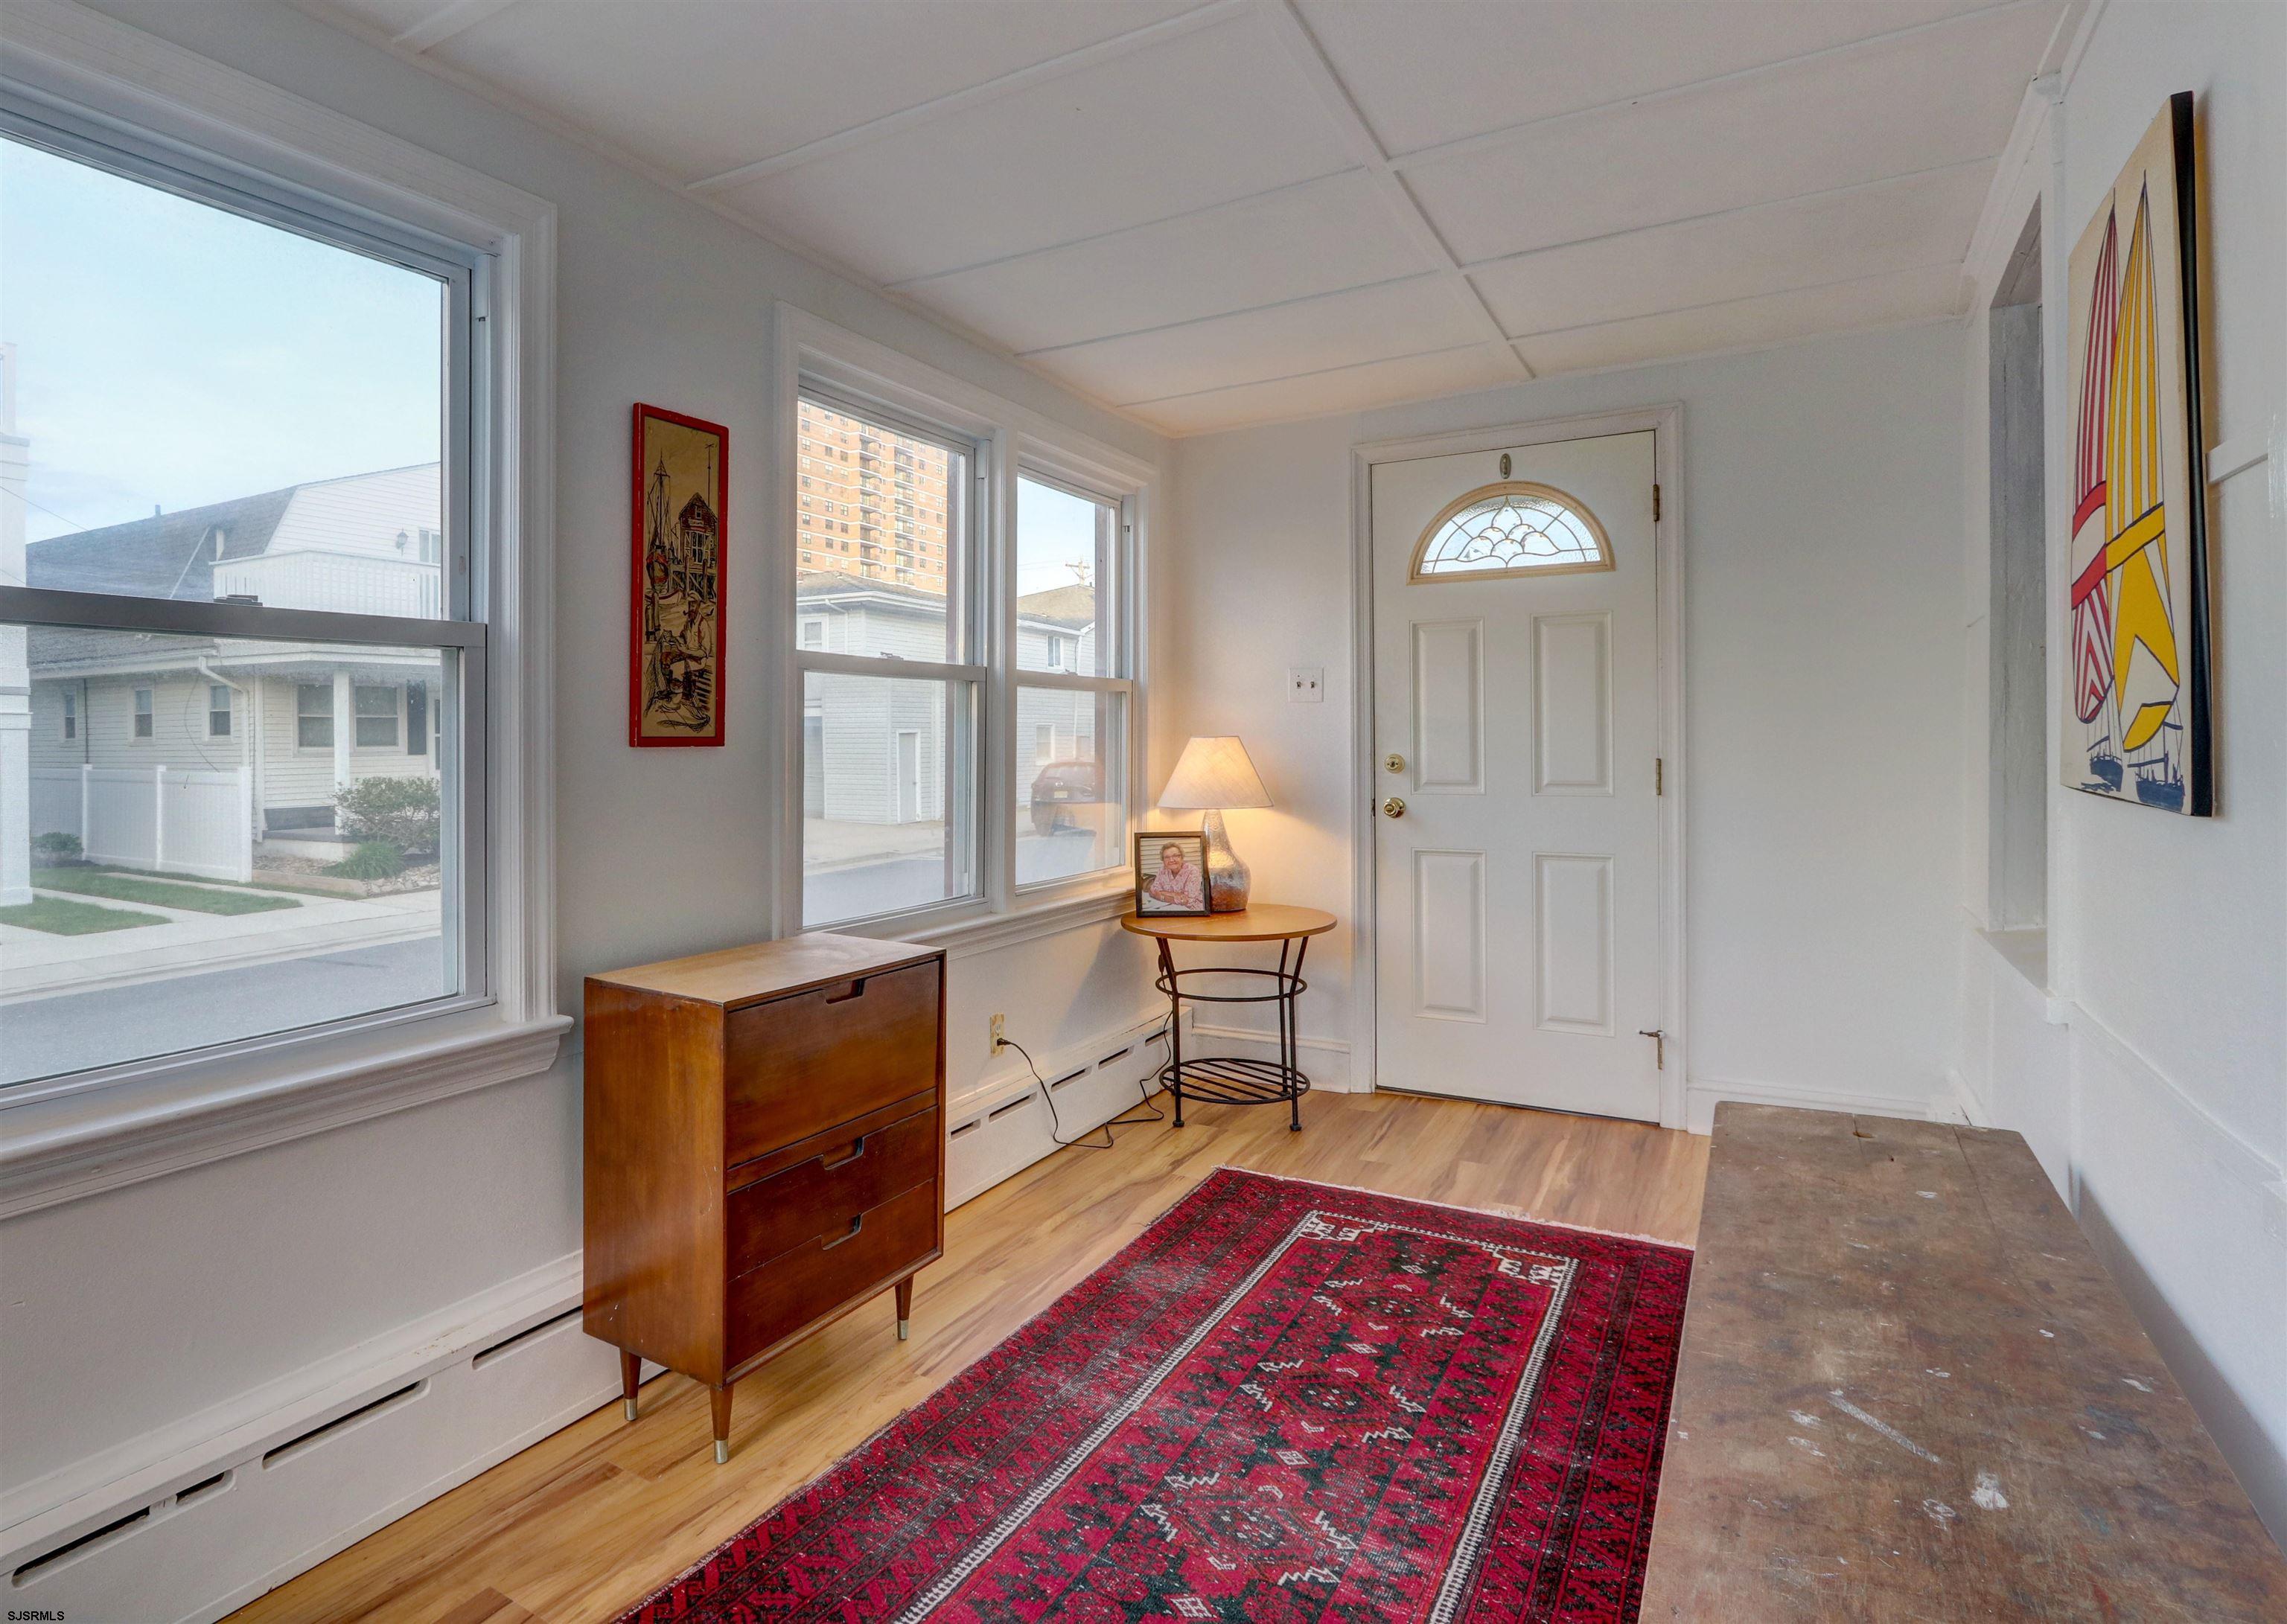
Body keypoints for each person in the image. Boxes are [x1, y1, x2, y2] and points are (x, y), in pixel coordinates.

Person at [1144, 840, 1205, 912]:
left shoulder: (1192, 871)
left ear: (1182, 857)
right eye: (1167, 857)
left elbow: (1187, 901)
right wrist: (1175, 894)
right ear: (1163, 860)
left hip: (1192, 910)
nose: (1171, 860)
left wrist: (1162, 896)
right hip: (1167, 906)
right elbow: (1153, 891)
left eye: (1175, 856)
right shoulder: (1162, 870)